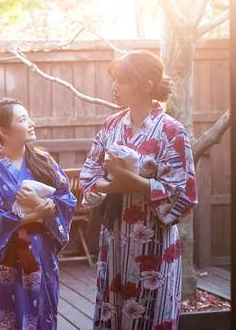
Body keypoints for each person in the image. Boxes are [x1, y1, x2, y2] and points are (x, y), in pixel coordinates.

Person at [80, 51, 197, 330]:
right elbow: (89, 176)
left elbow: (182, 193)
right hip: (114, 235)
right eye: (114, 80)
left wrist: (128, 180)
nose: (114, 87)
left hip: (153, 238)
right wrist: (113, 185)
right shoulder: (111, 126)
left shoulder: (172, 131)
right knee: (113, 309)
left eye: (122, 81)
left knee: (151, 310)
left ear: (146, 85)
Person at [0, 98, 76, 330]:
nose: (31, 123)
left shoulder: (44, 161)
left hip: (42, 252)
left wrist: (44, 205)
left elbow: (67, 199)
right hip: (7, 258)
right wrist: (36, 213)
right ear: (3, 131)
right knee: (10, 316)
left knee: (45, 313)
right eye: (23, 119)